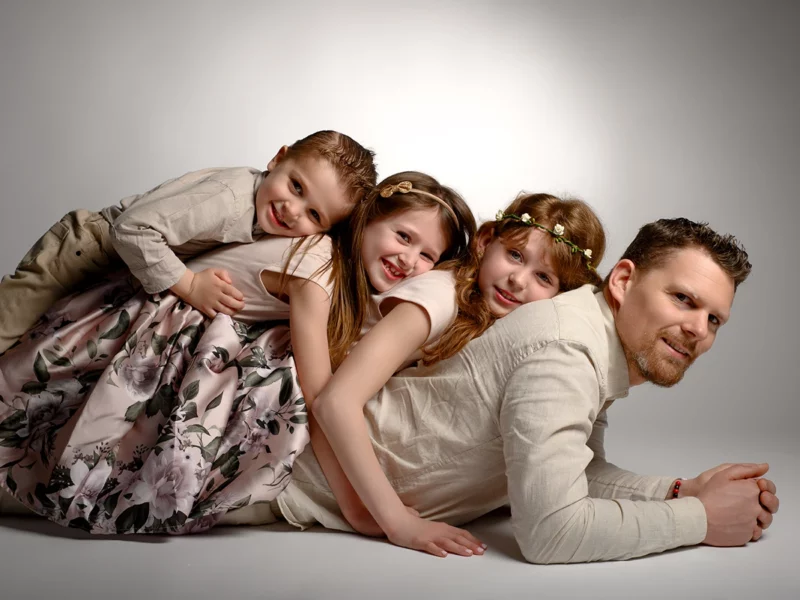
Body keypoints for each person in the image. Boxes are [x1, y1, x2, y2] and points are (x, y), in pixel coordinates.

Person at [228, 217, 778, 564]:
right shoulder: (568, 350)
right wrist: (702, 521)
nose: (698, 330)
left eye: (714, 320)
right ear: (624, 280)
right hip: (269, 467)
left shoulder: (592, 335)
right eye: (683, 299)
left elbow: (571, 471)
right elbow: (552, 531)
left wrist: (682, 490)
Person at [0, 170, 477, 537]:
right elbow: (321, 399)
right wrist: (367, 511)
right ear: (367, 222)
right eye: (403, 236)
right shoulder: (319, 269)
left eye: (427, 256)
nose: (410, 260)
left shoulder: (344, 278)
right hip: (143, 321)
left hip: (174, 322)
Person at [310, 192, 606, 557]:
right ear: (484, 242)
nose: (517, 280)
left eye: (543, 277)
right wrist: (393, 521)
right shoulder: (440, 296)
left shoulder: (482, 316)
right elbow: (335, 401)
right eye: (514, 255)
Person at [0, 129, 377, 355]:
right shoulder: (228, 199)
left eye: (314, 216)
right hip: (84, 248)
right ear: (278, 158)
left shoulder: (270, 219)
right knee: (7, 326)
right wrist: (190, 284)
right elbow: (131, 229)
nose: (293, 211)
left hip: (112, 265)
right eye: (296, 186)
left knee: (29, 345)